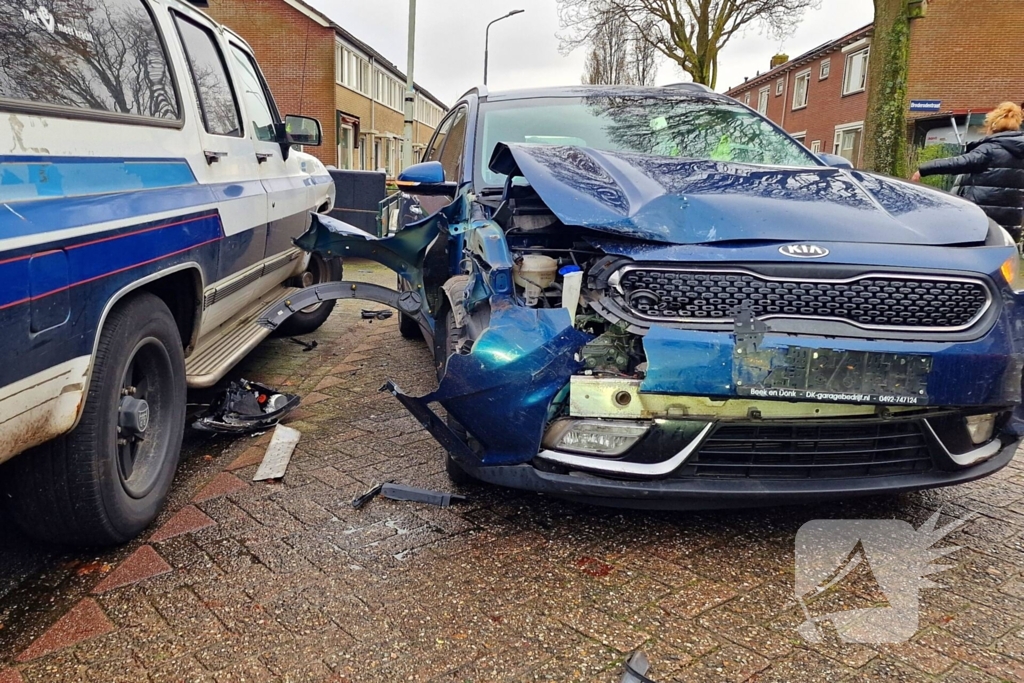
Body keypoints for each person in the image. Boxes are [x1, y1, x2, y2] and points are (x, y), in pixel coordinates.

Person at [912, 102, 1024, 241]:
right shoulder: (1020, 151)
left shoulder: (990, 150)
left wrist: (923, 169)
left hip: (983, 220)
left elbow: (959, 163)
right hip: (1010, 224)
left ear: (992, 126)